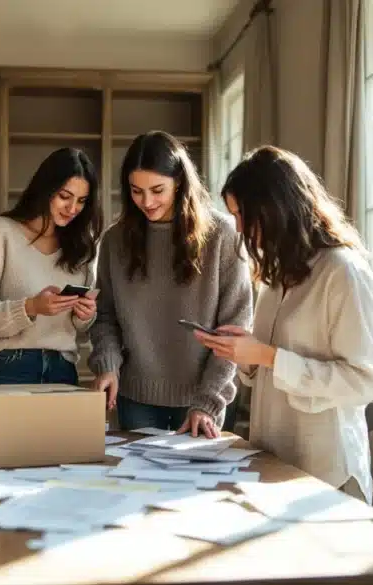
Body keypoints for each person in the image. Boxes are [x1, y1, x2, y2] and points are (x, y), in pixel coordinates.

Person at [194, 145, 373, 503]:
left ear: (274, 208)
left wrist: (268, 356)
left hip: (328, 472)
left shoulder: (343, 272)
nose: (237, 227)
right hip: (275, 463)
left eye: (242, 215)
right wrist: (244, 354)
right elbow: (270, 366)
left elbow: (363, 382)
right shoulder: (275, 278)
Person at [88, 131, 254, 438]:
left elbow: (235, 328)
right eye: (136, 191)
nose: (147, 202)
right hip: (134, 397)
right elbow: (105, 316)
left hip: (203, 398)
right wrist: (108, 364)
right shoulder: (115, 240)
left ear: (179, 181)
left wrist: (207, 401)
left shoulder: (222, 236)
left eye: (157, 190)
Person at [0, 147, 103, 385]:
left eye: (81, 201)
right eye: (65, 196)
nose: (72, 209)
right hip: (10, 367)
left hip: (63, 370)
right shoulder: (0, 232)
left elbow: (81, 328)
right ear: (46, 189)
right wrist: (31, 307)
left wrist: (86, 315)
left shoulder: (82, 246)